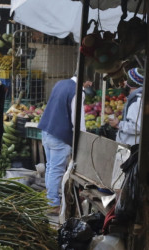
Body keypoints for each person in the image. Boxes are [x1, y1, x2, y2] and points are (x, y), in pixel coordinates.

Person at [38, 74, 92, 214]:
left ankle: (50, 199)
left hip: (46, 130)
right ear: (87, 81)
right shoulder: (77, 92)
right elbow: (78, 121)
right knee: (56, 170)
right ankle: (53, 203)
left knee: (51, 167)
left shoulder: (60, 83)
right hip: (59, 136)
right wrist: (83, 139)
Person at [109, 68, 144, 146]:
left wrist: (118, 124)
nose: (124, 82)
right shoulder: (137, 99)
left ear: (132, 84)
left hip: (130, 147)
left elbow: (137, 127)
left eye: (127, 80)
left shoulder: (136, 101)